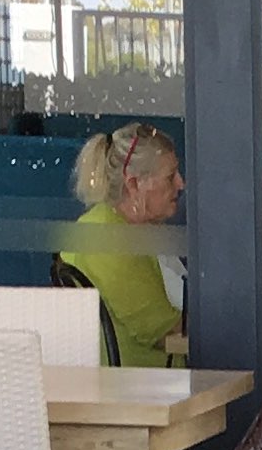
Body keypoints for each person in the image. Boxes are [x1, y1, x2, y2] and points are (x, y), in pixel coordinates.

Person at [62, 123, 185, 368]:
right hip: (142, 390)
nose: (181, 184)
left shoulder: (138, 232)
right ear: (134, 184)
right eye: (170, 177)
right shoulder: (106, 240)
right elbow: (163, 330)